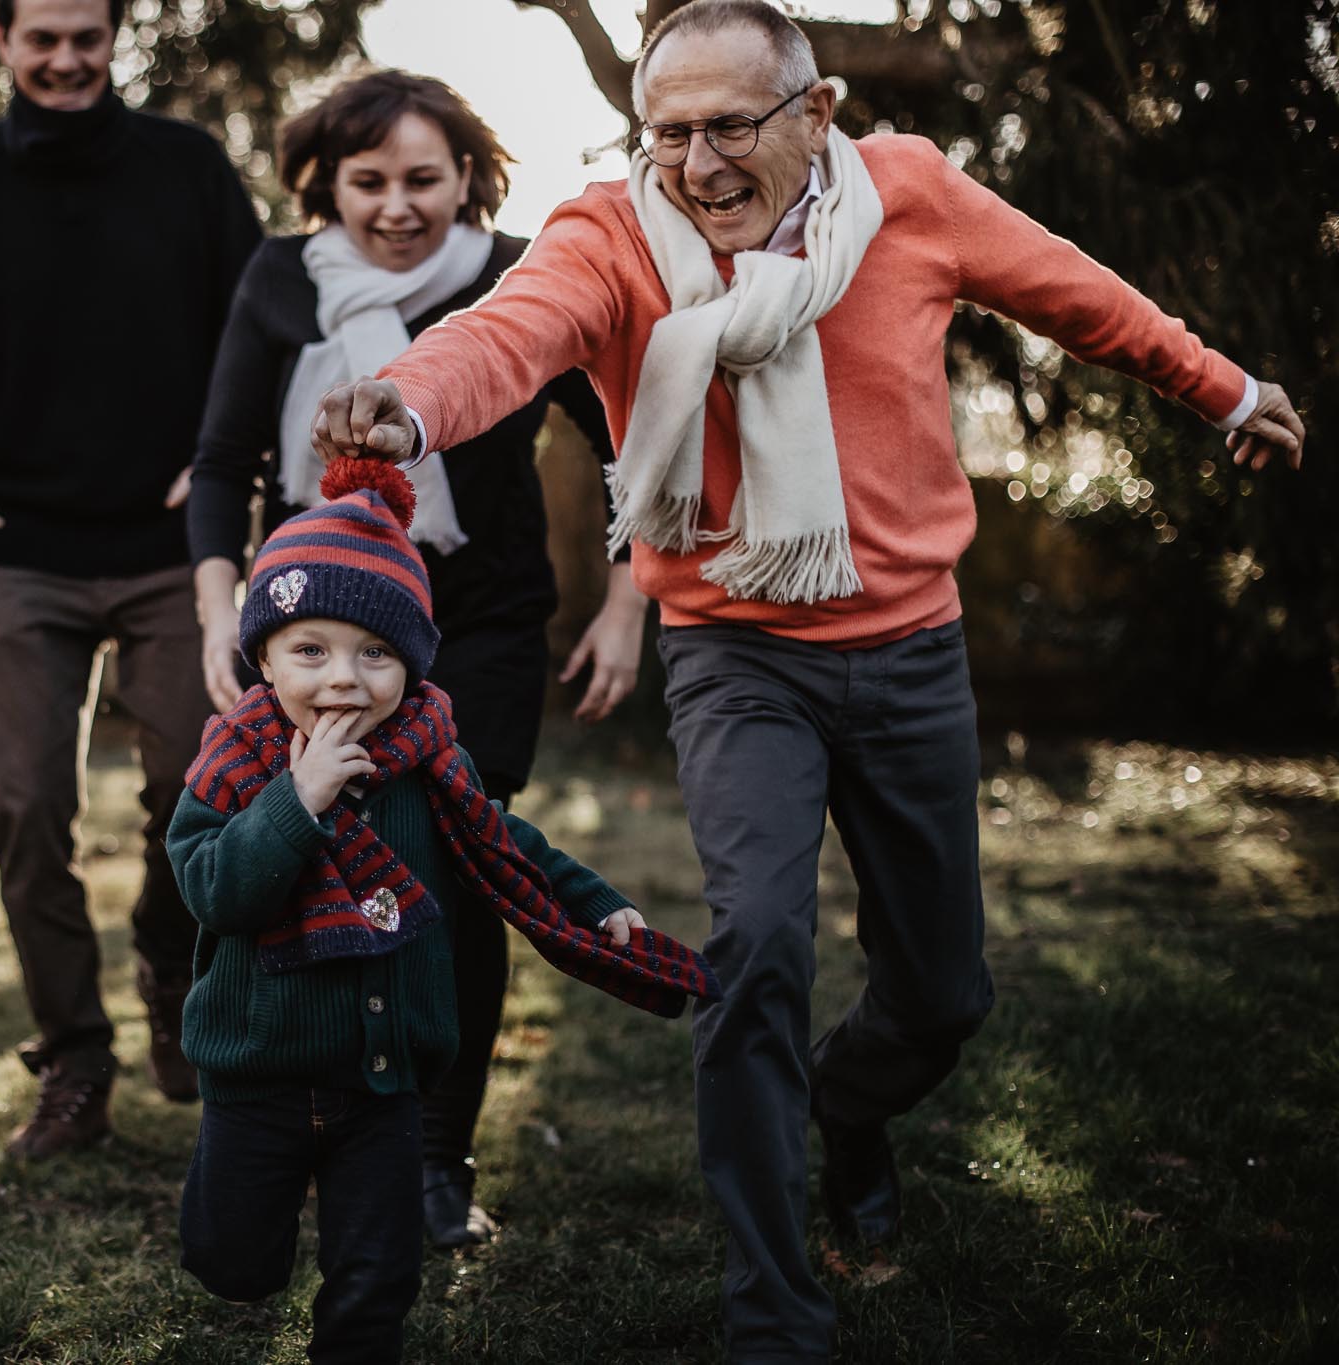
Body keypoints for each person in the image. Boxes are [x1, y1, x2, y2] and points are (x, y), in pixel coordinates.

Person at [308, 1, 1306, 1358]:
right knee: (760, 948)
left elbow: (1082, 297)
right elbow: (510, 332)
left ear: (817, 115)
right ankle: (772, 1307)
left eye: (732, 126)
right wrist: (409, 399)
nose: (701, 164)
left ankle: (851, 1111)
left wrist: (1224, 390)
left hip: (910, 652)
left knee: (944, 996)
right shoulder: (609, 234)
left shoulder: (911, 197)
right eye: (670, 131)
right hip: (733, 657)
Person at [188, 68, 648, 1247]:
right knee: (280, 843)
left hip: (478, 623)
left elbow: (629, 448)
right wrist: (214, 614)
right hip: (308, 625)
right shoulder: (281, 279)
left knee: (457, 852)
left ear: (469, 180)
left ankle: (436, 1153)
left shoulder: (513, 282)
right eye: (368, 180)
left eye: (422, 180)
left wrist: (623, 604)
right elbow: (228, 455)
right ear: (323, 184)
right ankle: (297, 1105)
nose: (396, 206)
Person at [171, 456, 718, 1364]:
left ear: (412, 663)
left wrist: (599, 903)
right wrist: (295, 803)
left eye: (374, 654)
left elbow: (509, 846)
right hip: (259, 1076)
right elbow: (216, 888)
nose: (344, 679)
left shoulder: (429, 762)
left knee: (377, 1281)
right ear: (262, 658)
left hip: (386, 1083)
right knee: (232, 1261)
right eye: (310, 650)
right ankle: (235, 1241)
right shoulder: (236, 767)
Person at [0, 0, 261, 1158]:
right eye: (40, 37)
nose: (63, 58)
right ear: (2, 42)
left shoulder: (187, 170)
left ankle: (171, 958)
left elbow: (261, 331)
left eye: (84, 35)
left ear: (113, 37)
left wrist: (218, 459)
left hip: (170, 554)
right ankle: (75, 1059)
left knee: (198, 794)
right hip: (18, 553)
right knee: (27, 807)